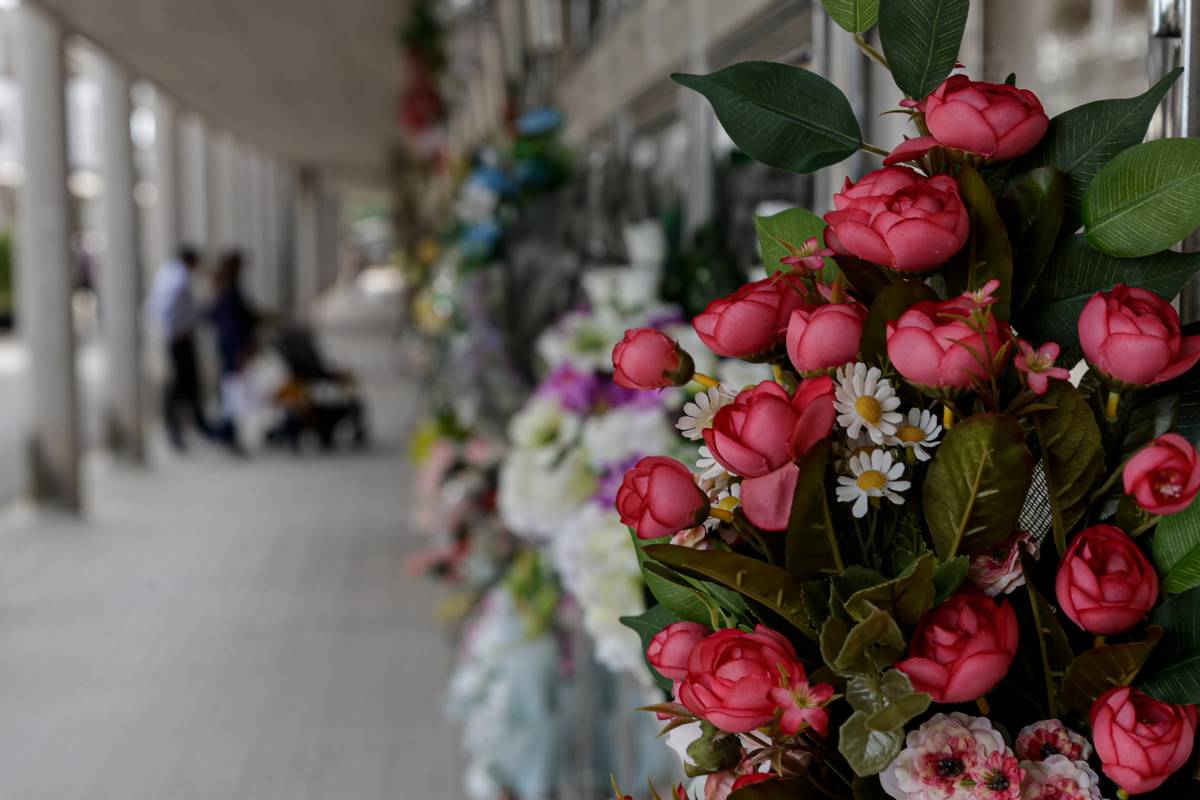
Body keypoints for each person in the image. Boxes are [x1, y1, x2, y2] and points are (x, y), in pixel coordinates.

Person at [145, 245, 210, 450]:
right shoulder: (178, 278)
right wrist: (176, 329)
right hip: (179, 337)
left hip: (176, 335)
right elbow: (169, 306)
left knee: (186, 382)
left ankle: (193, 423)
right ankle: (178, 427)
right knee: (180, 382)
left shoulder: (169, 273)